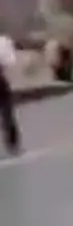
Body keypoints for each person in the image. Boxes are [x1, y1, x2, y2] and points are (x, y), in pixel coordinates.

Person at [0, 26, 21, 155]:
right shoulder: (3, 41)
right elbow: (10, 62)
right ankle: (12, 142)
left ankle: (12, 141)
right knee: (7, 112)